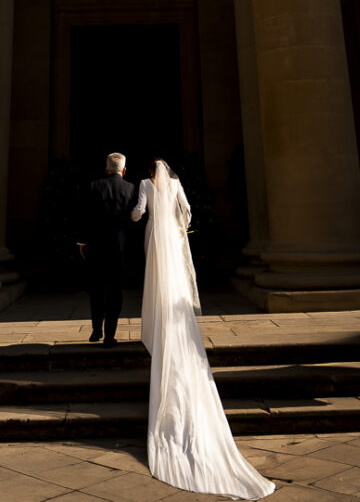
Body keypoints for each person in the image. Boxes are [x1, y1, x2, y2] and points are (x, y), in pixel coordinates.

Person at [132, 159, 275, 499]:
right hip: (171, 238)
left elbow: (138, 212)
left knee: (156, 286)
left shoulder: (145, 185)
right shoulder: (177, 186)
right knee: (176, 286)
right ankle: (172, 319)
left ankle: (157, 324)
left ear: (152, 173)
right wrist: (181, 229)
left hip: (154, 238)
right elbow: (188, 213)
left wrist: (138, 217)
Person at [77, 151, 136, 348]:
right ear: (124, 170)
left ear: (106, 169)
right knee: (115, 292)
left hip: (97, 245)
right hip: (120, 248)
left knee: (96, 289)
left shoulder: (95, 186)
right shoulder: (131, 189)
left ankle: (96, 329)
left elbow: (85, 216)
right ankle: (110, 335)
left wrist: (82, 242)